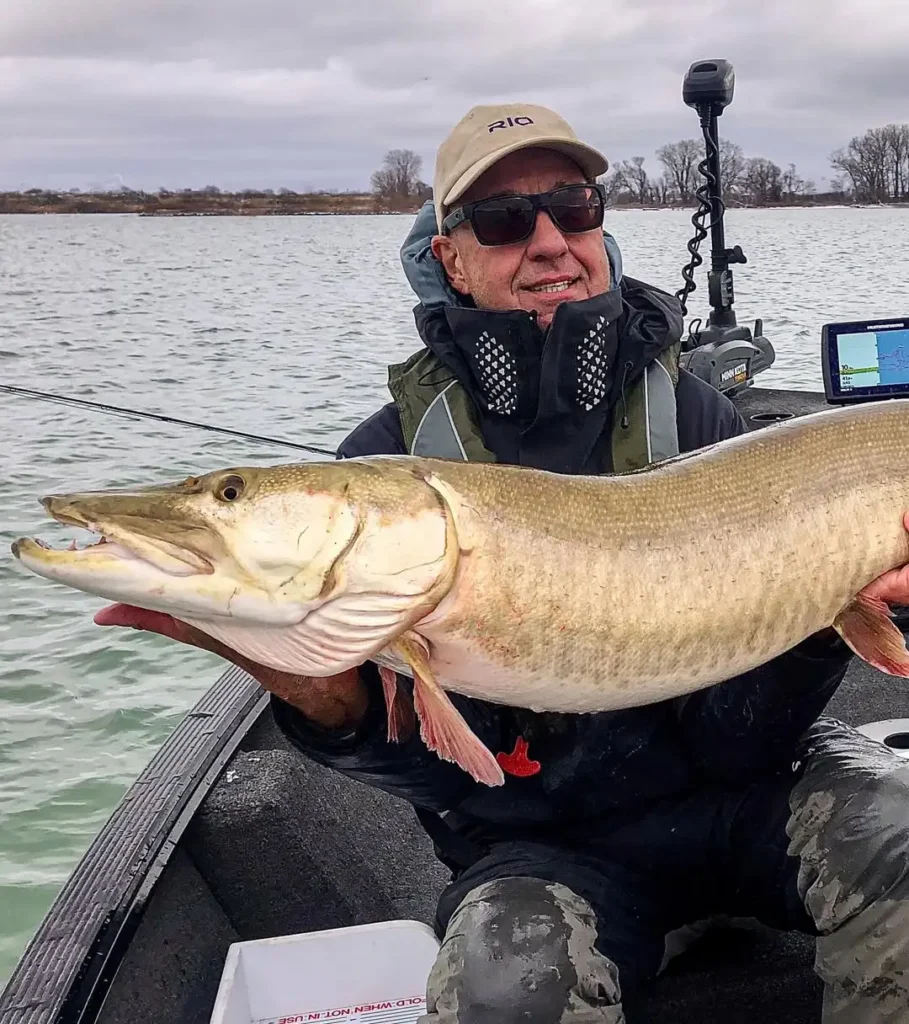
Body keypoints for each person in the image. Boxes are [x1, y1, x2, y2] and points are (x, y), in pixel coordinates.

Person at [102, 104, 909, 1022]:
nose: (549, 240)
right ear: (450, 257)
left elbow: (741, 738)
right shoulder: (385, 455)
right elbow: (452, 785)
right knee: (499, 990)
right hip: (547, 845)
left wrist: (826, 613)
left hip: (747, 793)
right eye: (501, 221)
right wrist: (318, 695)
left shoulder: (699, 422)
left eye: (573, 207)